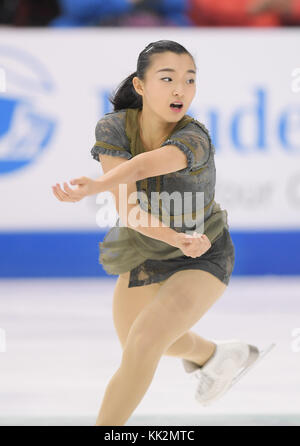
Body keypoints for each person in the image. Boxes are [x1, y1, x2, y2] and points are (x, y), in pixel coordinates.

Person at [52, 40, 261, 426]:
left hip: (203, 254)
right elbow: (130, 211)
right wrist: (173, 237)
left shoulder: (194, 136)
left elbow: (144, 166)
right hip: (145, 250)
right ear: (141, 85)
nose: (181, 89)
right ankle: (214, 356)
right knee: (139, 344)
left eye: (190, 80)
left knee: (146, 341)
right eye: (168, 79)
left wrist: (98, 186)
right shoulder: (114, 127)